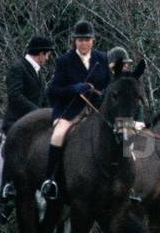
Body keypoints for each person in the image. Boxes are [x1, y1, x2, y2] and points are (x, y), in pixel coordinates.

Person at [41, 20, 111, 201]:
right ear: (75, 41)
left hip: (96, 110)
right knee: (58, 135)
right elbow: (53, 91)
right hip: (70, 111)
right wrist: (73, 89)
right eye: (80, 40)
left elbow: (110, 86)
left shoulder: (102, 59)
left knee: (124, 132)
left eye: (87, 39)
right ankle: (50, 180)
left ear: (93, 40)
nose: (84, 43)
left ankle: (126, 181)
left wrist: (101, 94)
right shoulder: (64, 61)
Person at [0, 34, 54, 222]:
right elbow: (15, 96)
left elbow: (42, 97)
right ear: (41, 54)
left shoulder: (38, 71)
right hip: (17, 122)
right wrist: (38, 112)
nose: (48, 58)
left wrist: (51, 111)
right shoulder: (18, 68)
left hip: (36, 121)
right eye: (47, 54)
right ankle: (5, 196)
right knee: (14, 150)